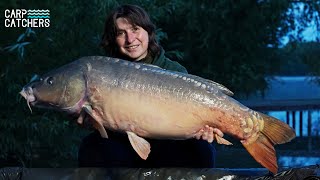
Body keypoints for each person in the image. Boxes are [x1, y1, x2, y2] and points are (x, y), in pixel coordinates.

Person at [78, 4, 216, 168]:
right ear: (113, 40)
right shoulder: (102, 73)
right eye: (121, 33)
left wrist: (204, 131)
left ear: (148, 33)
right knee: (91, 148)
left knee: (202, 149)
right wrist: (92, 123)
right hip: (122, 143)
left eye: (135, 29)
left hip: (166, 144)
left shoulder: (174, 70)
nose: (130, 39)